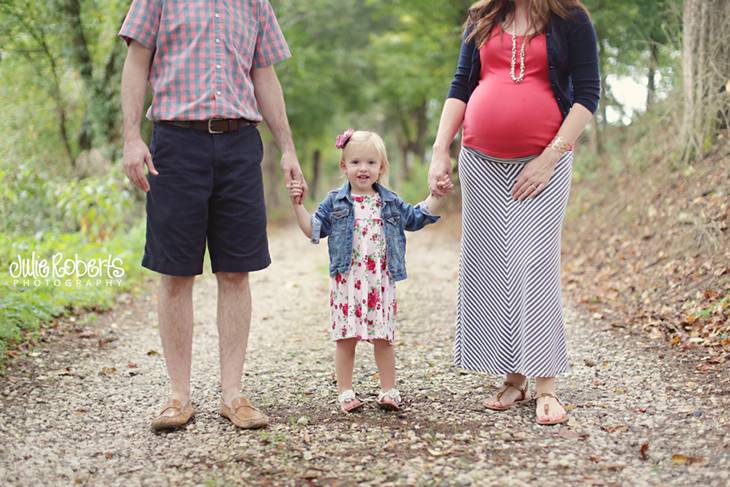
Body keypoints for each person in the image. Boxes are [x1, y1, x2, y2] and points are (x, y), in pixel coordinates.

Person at [119, 0, 307, 431]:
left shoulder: (255, 3)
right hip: (175, 144)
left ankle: (232, 395)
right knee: (175, 272)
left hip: (240, 144)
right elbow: (136, 62)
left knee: (237, 270)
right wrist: (132, 138)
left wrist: (288, 148)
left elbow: (265, 75)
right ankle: (178, 397)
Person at [428, 0, 600, 425]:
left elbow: (587, 95)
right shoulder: (482, 16)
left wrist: (549, 159)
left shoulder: (570, 18)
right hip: (480, 161)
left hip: (543, 164)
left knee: (535, 264)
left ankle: (546, 386)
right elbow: (461, 86)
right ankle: (514, 376)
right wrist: (439, 151)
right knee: (496, 266)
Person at [288, 130, 453, 412]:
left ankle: (389, 390)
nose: (362, 169)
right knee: (346, 338)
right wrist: (298, 205)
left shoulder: (389, 201)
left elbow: (416, 218)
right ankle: (345, 393)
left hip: (380, 281)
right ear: (344, 166)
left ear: (381, 167)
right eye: (355, 163)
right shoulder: (335, 202)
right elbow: (313, 230)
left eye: (370, 163)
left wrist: (435, 195)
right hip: (347, 281)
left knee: (383, 337)